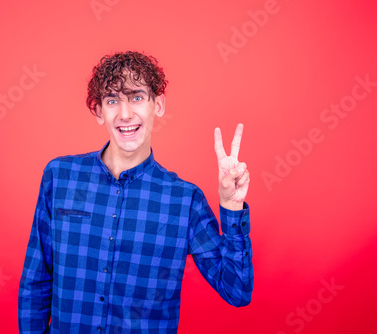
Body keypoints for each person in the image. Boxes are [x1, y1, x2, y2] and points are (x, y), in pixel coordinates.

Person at [18, 51, 253, 333]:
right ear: (98, 111)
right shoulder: (60, 177)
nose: (125, 113)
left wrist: (231, 206)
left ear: (159, 105)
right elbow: (36, 282)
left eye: (137, 97)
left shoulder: (184, 200)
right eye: (113, 100)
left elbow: (237, 291)